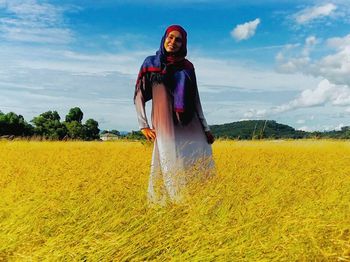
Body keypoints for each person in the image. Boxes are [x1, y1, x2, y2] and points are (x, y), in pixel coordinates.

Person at [134, 25, 215, 206]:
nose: (173, 42)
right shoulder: (151, 64)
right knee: (167, 164)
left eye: (178, 40)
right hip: (165, 126)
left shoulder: (188, 67)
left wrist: (206, 128)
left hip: (191, 126)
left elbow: (195, 100)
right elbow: (139, 94)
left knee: (194, 164)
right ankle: (169, 205)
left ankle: (197, 204)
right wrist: (143, 125)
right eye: (170, 37)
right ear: (164, 38)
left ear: (183, 44)